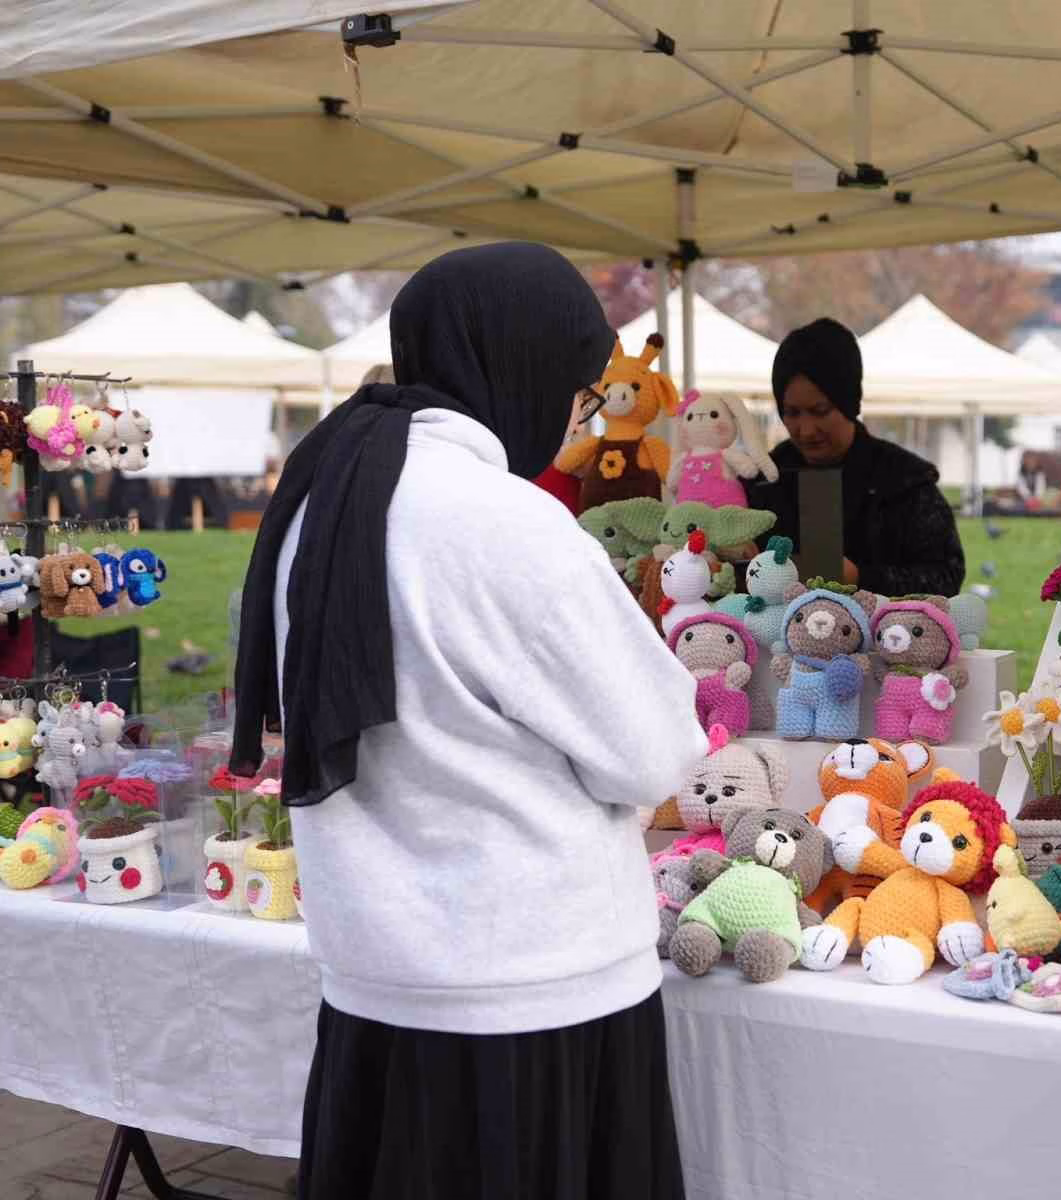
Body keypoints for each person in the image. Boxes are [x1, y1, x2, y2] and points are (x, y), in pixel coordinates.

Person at [231, 243, 707, 1200]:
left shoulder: (323, 496)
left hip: (375, 975)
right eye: (581, 395)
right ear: (524, 367)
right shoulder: (505, 522)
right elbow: (652, 747)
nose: (576, 427)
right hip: (530, 984)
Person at [747, 317, 965, 597]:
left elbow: (947, 575)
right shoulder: (765, 479)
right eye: (792, 413)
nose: (806, 430)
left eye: (820, 410)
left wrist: (862, 577)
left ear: (849, 403)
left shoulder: (904, 480)